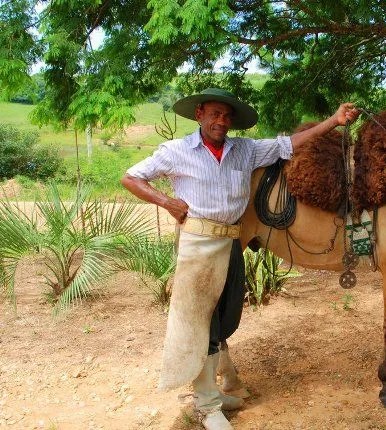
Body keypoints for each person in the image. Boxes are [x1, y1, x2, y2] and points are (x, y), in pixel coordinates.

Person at [121, 88, 360, 430]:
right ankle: (205, 404)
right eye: (215, 114)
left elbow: (288, 144)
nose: (221, 121)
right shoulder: (175, 151)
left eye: (227, 116)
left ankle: (215, 393)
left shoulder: (244, 151)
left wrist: (334, 122)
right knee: (200, 322)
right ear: (200, 114)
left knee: (226, 318)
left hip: (231, 242)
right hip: (198, 243)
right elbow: (130, 177)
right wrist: (166, 202)